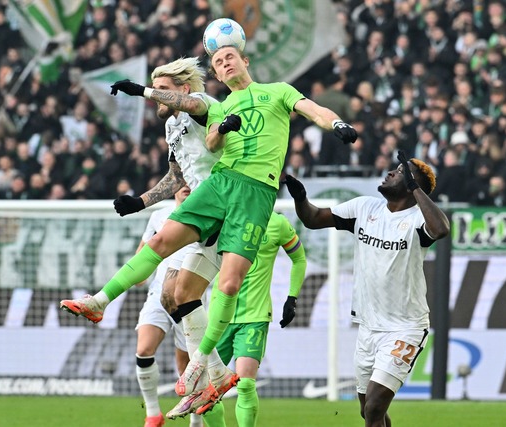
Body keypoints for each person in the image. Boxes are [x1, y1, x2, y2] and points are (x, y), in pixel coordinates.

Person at [61, 41, 357, 415]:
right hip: (216, 187)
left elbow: (307, 109)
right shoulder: (202, 114)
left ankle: (203, 365)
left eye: (230, 56)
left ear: (244, 60)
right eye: (218, 60)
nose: (224, 62)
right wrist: (141, 201)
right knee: (172, 275)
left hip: (253, 194)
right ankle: (100, 303)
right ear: (216, 72)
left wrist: (336, 124)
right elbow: (188, 162)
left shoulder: (258, 95)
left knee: (221, 285)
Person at [61, 57, 234, 418]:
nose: (158, 100)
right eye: (155, 93)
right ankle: (217, 374)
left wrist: (141, 89)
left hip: (221, 202)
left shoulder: (204, 106)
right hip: (204, 210)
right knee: (174, 296)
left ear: (184, 88)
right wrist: (140, 201)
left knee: (156, 247)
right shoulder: (173, 128)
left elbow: (192, 104)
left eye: (164, 91)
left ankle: (100, 302)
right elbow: (177, 176)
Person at [284, 150, 450, 427]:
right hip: (368, 327)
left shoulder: (418, 220)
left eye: (399, 171)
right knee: (370, 412)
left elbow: (442, 229)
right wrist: (301, 198)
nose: (390, 172)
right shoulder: (364, 208)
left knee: (373, 406)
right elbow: (313, 219)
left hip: (405, 328)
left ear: (412, 185)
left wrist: (416, 188)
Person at [202, 211, 306, 427]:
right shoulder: (226, 216)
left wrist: (292, 297)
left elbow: (299, 258)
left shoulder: (278, 223)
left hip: (255, 315)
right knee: (207, 389)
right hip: (218, 316)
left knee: (246, 384)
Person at [133, 185, 203, 427]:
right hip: (157, 294)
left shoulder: (206, 216)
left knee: (186, 367)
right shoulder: (159, 216)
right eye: (180, 180)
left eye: (190, 180)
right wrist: (135, 274)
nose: (186, 185)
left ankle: (196, 421)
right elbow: (143, 254)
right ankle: (153, 414)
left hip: (189, 299)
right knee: (144, 348)